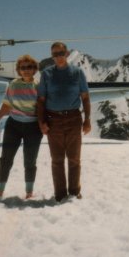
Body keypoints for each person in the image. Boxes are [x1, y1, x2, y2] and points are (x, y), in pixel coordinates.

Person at [37, 42, 91, 202]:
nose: (58, 56)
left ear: (66, 53)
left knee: (74, 159)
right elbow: (40, 100)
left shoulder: (77, 73)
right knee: (57, 160)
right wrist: (42, 122)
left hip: (74, 118)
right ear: (52, 56)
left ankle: (74, 192)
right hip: (53, 120)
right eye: (55, 54)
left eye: (61, 53)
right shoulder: (46, 74)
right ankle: (60, 194)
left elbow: (85, 97)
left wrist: (87, 119)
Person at [0, 55, 43, 200]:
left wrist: (44, 125)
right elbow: (7, 104)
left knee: (30, 161)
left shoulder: (39, 86)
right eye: (23, 68)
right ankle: (0, 190)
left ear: (34, 70)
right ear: (19, 70)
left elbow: (42, 108)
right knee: (6, 158)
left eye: (29, 67)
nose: (26, 70)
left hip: (33, 127)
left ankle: (29, 191)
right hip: (13, 125)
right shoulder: (13, 84)